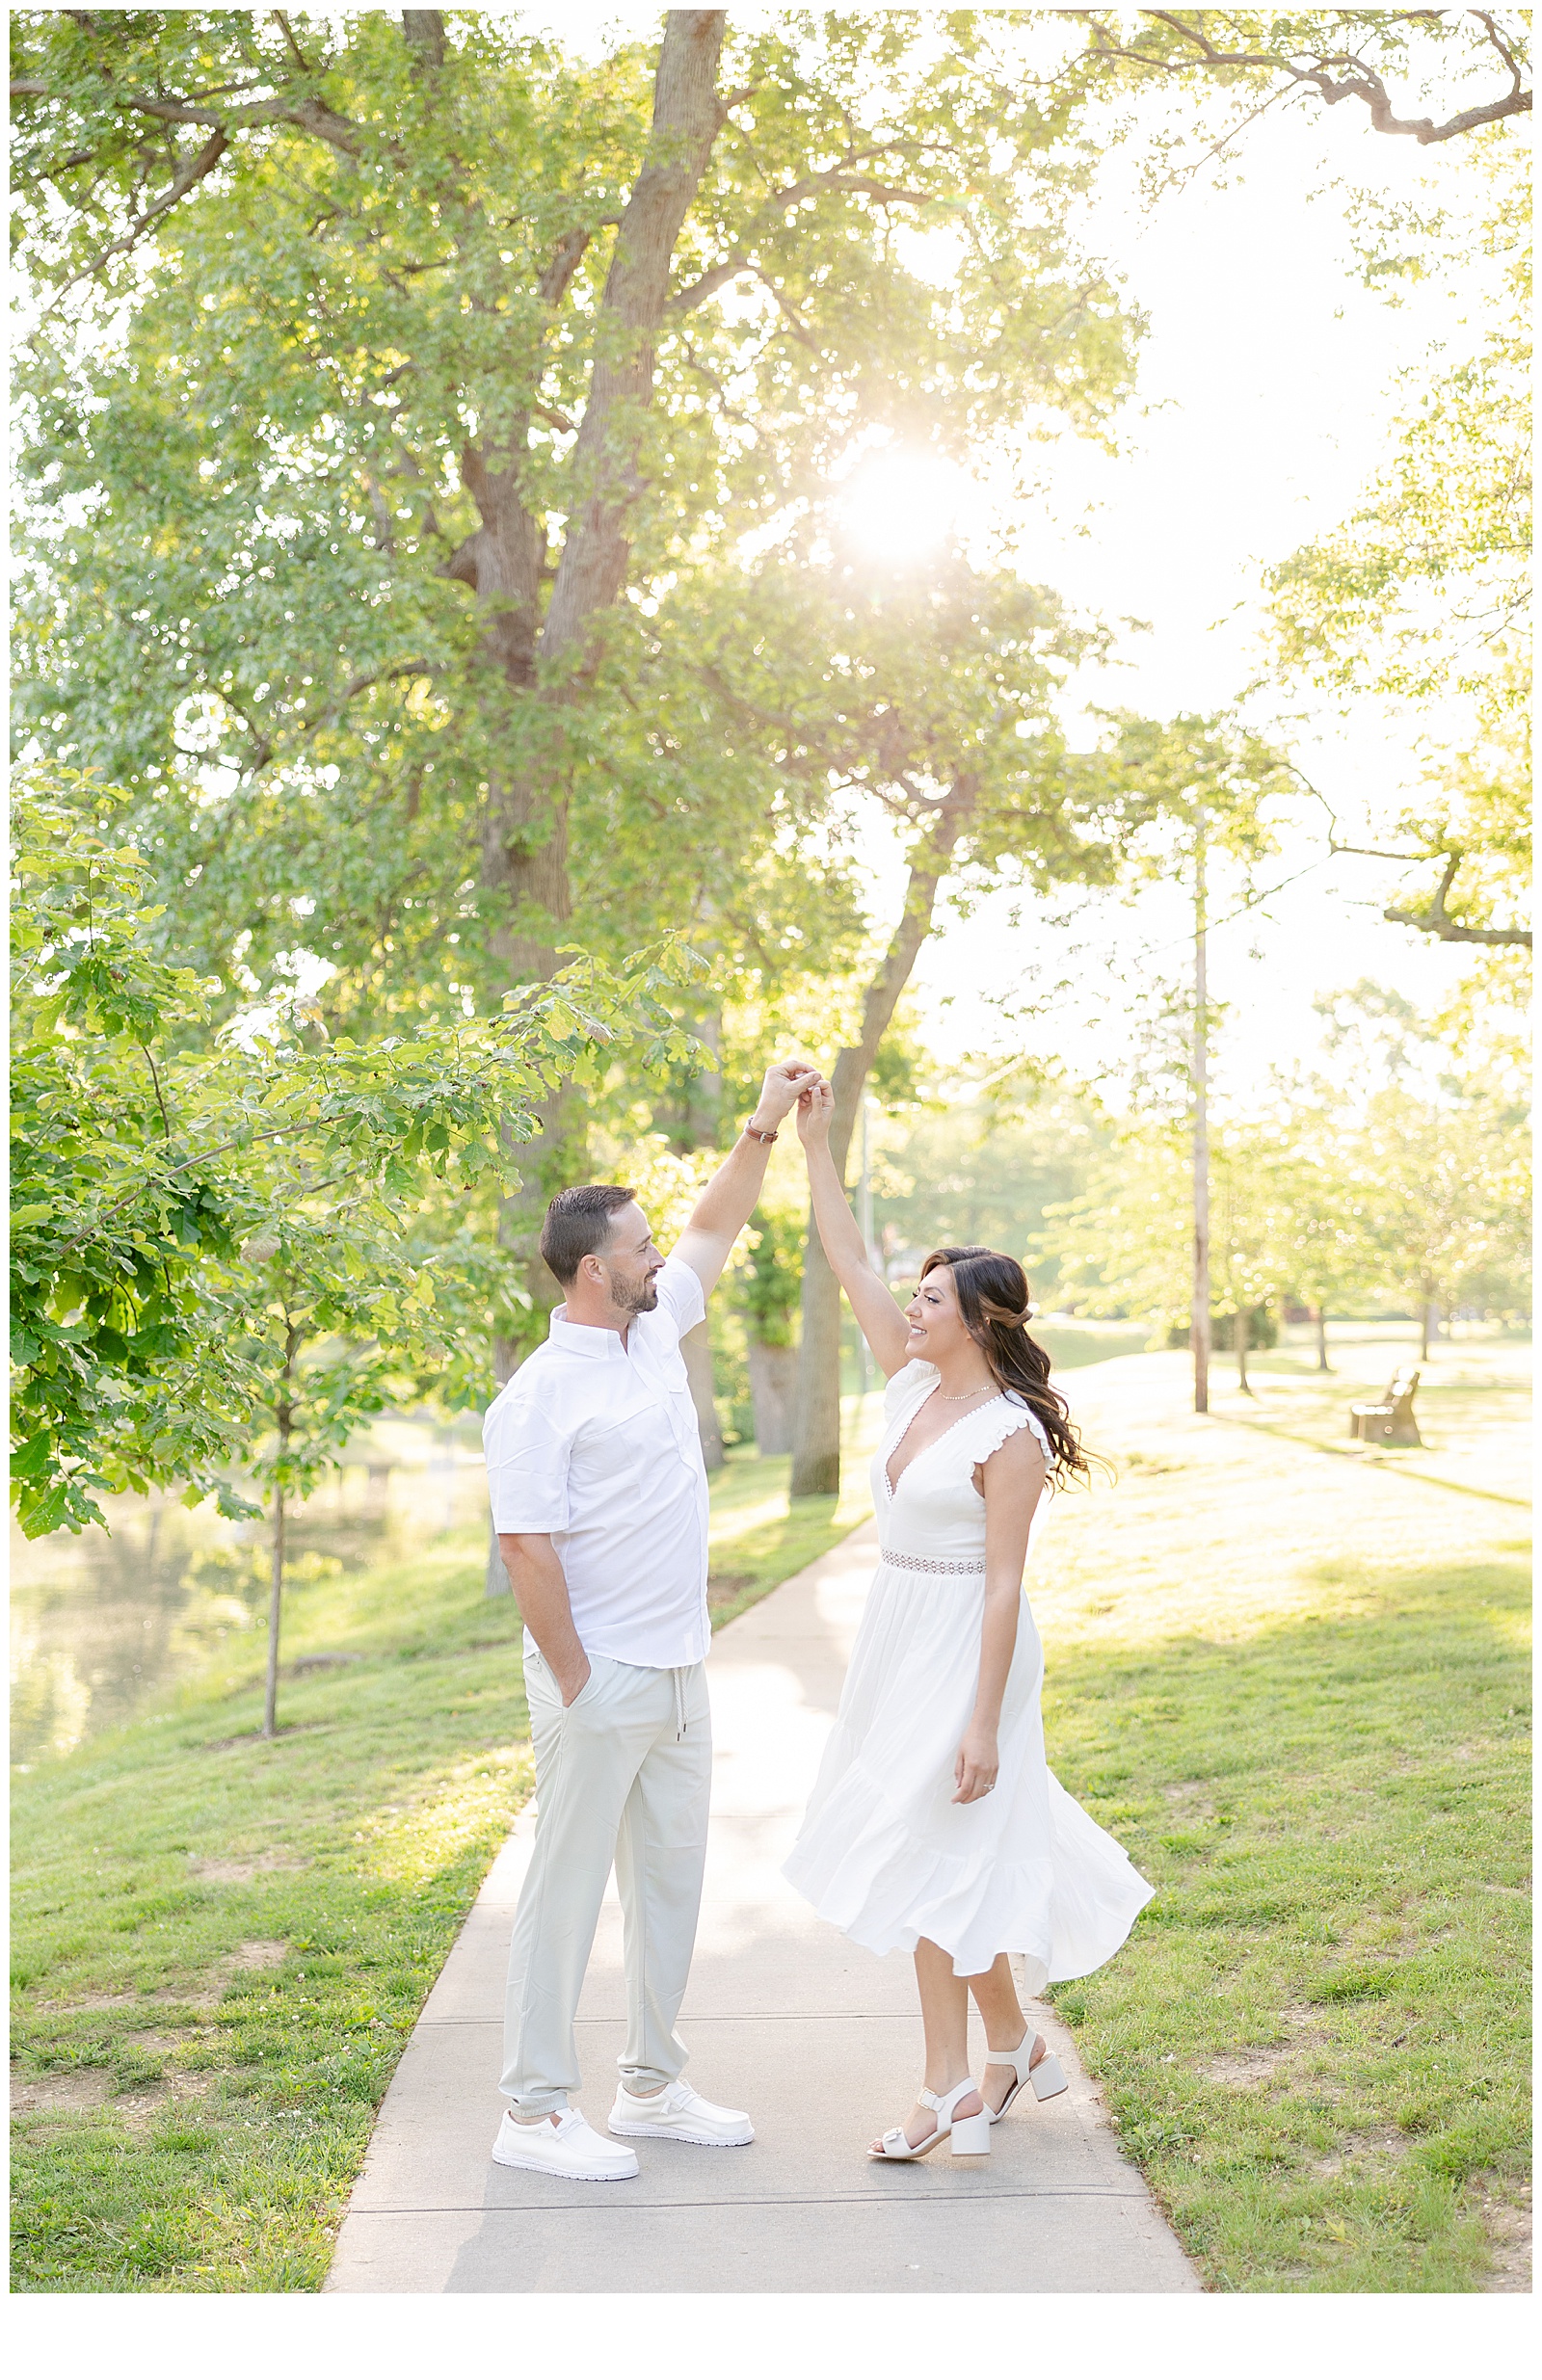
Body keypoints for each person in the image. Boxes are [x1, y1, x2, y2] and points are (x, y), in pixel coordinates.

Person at [784, 1078, 1154, 2160]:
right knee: (939, 1847)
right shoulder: (907, 1385)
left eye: (932, 1301)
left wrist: (983, 1723)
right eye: (915, 1297)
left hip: (969, 1648)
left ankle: (947, 2086)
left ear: (981, 1320)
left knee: (925, 1849)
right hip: (898, 1637)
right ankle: (1010, 2046)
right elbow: (846, 1255)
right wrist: (815, 1147)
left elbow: (1004, 1583)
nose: (910, 1309)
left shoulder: (1007, 1436)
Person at [484, 1059, 824, 2181]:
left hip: (681, 1671)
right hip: (600, 1682)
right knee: (567, 1893)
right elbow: (524, 1547)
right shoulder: (538, 1395)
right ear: (595, 1271)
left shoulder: (654, 1323)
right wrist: (578, 1678)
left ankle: (651, 2086)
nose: (659, 1257)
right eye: (638, 1249)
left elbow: (717, 1220)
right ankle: (532, 2113)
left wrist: (764, 1122)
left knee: (671, 1889)